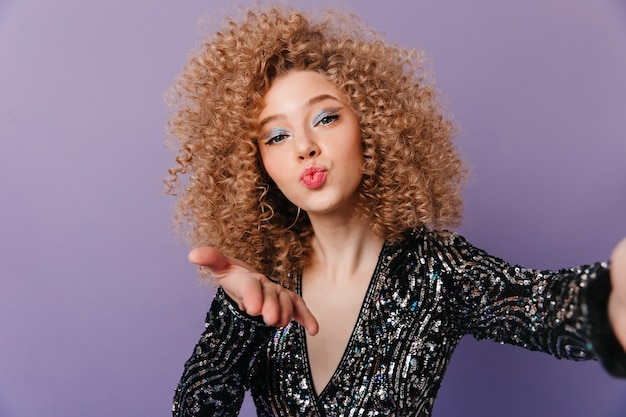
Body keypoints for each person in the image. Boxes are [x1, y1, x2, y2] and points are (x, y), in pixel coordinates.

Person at [165, 6, 626, 417]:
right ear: (257, 165)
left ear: (371, 128)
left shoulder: (437, 268)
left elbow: (545, 307)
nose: (305, 147)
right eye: (276, 136)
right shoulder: (261, 285)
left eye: (325, 118)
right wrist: (238, 320)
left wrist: (614, 296)